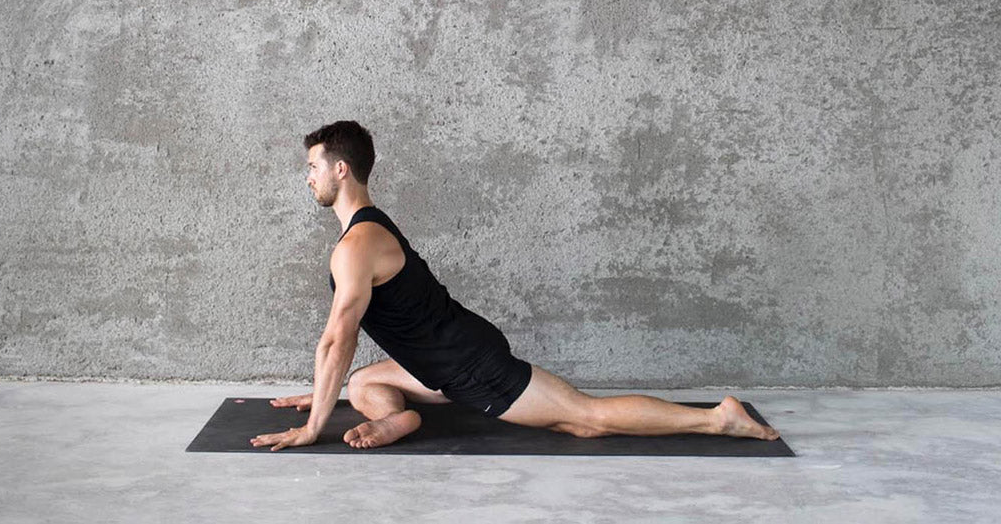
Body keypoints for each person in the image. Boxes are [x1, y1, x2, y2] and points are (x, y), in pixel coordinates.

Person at [250, 121, 780, 451]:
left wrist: (313, 425)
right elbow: (345, 346)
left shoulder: (356, 245)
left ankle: (718, 420)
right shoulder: (368, 228)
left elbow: (336, 339)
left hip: (470, 365)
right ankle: (398, 421)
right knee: (364, 385)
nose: (308, 176)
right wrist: (329, 391)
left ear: (342, 169)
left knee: (584, 420)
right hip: (438, 361)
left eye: (313, 166)